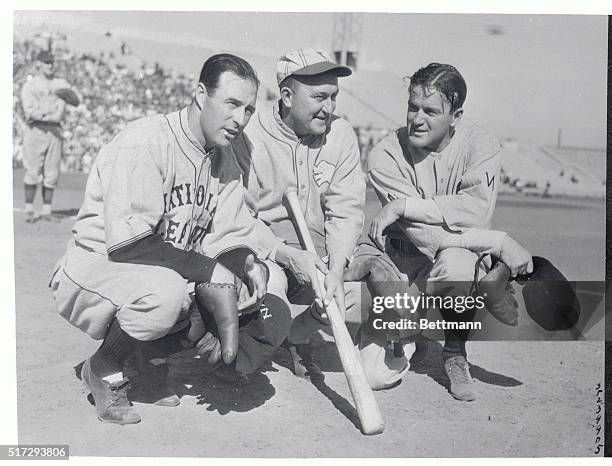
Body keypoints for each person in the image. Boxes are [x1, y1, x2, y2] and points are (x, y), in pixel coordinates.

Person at [49, 54, 291, 425]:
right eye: (231, 103)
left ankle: (147, 363)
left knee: (259, 280)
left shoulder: (222, 159)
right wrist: (212, 270)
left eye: (247, 109)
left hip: (153, 271)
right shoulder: (145, 141)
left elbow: (227, 234)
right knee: (170, 292)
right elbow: (128, 244)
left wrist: (246, 262)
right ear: (200, 94)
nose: (239, 120)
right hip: (96, 266)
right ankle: (104, 367)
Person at [348, 63, 532, 401]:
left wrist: (404, 206)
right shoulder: (384, 155)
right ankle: (411, 331)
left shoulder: (479, 142)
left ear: (456, 115)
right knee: (373, 375)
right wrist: (500, 242)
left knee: (458, 264)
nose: (417, 119)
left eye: (431, 111)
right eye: (412, 107)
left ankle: (455, 351)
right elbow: (425, 234)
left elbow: (475, 211)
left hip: (453, 257)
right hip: (400, 264)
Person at [232, 49, 366, 378]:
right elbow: (235, 215)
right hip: (262, 248)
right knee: (270, 284)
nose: (329, 108)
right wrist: (288, 254)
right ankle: (246, 345)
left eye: (334, 97)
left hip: (317, 253)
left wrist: (336, 268)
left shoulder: (342, 133)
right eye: (320, 97)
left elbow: (346, 209)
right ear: (288, 96)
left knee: (358, 299)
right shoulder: (249, 133)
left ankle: (297, 334)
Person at [20, 50, 78, 222]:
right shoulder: (30, 85)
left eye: (52, 61)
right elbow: (30, 113)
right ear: (39, 64)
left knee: (52, 172)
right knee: (32, 170)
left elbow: (74, 102)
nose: (50, 65)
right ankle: (29, 209)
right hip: (35, 130)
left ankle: (46, 211)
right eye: (46, 62)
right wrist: (49, 110)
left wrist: (64, 99)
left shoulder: (61, 83)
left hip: (54, 130)